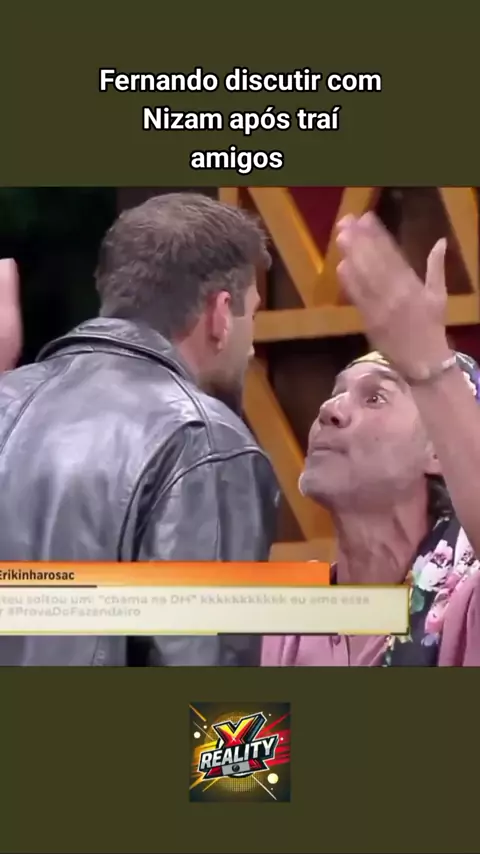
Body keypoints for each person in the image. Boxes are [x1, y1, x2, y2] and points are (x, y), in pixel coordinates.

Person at [0, 193, 279, 667]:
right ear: (220, 315)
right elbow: (203, 673)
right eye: (251, 316)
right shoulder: (204, 440)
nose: (251, 347)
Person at [262, 214, 480, 667]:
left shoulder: (465, 603)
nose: (330, 409)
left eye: (375, 397)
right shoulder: (284, 611)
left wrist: (429, 364)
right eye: (336, 392)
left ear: (438, 450)